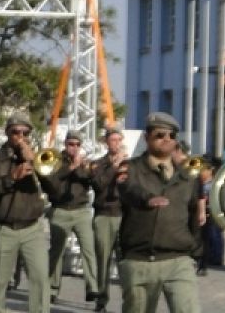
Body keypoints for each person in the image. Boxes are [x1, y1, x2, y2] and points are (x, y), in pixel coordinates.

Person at [117, 112, 200, 313]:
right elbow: (128, 189)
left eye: (171, 136)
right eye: (160, 135)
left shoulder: (188, 174)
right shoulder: (131, 167)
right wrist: (147, 199)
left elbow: (194, 214)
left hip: (178, 259)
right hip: (140, 260)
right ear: (147, 138)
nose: (167, 140)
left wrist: (196, 251)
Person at [0, 113, 50, 313]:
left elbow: (56, 188)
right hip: (2, 227)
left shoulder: (39, 157)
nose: (20, 136)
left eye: (25, 132)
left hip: (32, 228)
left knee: (41, 279)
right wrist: (11, 178)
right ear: (8, 133)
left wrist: (35, 163)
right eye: (16, 132)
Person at [43, 130, 98, 304]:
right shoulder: (56, 161)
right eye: (70, 144)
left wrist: (81, 167)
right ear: (65, 145)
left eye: (77, 145)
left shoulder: (85, 163)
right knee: (56, 251)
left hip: (81, 211)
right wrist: (71, 167)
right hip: (60, 210)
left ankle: (92, 288)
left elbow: (90, 181)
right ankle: (52, 288)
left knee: (88, 249)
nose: (74, 148)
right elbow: (51, 182)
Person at [90, 128, 127, 312]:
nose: (117, 143)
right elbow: (98, 184)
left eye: (119, 140)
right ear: (107, 142)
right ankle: (101, 300)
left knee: (125, 262)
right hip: (104, 215)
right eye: (113, 140)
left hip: (123, 216)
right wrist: (114, 167)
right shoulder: (98, 164)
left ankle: (129, 300)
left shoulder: (130, 164)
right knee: (102, 260)